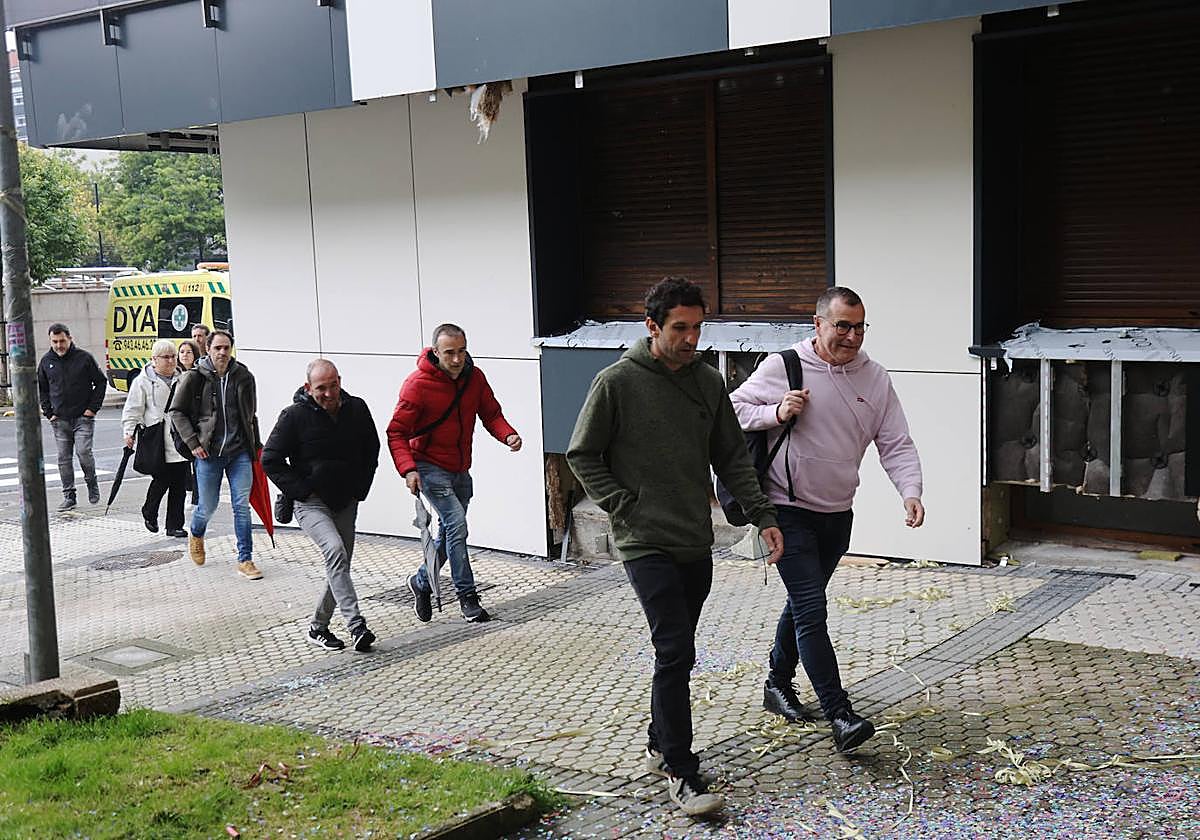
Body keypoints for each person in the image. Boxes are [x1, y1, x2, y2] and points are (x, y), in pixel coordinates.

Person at [567, 277, 784, 818]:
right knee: (675, 650)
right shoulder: (616, 382)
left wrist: (762, 516)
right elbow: (582, 453)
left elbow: (733, 458)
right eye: (680, 328)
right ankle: (681, 772)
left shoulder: (708, 383)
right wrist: (624, 504)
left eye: (697, 327)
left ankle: (657, 739)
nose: (691, 338)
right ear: (652, 327)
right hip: (643, 540)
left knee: (677, 647)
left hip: (694, 537)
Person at [730, 286, 924, 753]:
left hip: (837, 514)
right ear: (817, 324)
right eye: (842, 326)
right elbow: (730, 410)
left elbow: (894, 441)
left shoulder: (874, 378)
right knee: (812, 609)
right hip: (785, 511)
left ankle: (776, 684)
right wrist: (776, 411)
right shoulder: (785, 366)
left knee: (803, 603)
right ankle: (840, 715)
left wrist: (910, 491)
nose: (852, 336)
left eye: (859, 327)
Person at [387, 323, 522, 624]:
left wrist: (508, 435)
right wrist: (409, 470)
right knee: (457, 525)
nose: (458, 359)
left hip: (460, 467)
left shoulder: (475, 378)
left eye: (462, 351)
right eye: (450, 353)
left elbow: (491, 413)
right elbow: (396, 432)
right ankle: (467, 597)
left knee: (449, 534)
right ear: (436, 352)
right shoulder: (417, 385)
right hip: (429, 466)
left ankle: (421, 582)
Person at [263, 359, 380, 652]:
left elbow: (371, 449)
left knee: (339, 564)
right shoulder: (293, 416)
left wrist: (359, 489)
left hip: (346, 500)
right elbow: (270, 460)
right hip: (311, 503)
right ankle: (357, 625)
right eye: (321, 388)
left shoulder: (357, 408)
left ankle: (318, 627)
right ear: (308, 388)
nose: (329, 394)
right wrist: (301, 490)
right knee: (335, 552)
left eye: (333, 386)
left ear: (340, 380)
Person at [168, 329, 263, 579]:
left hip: (239, 451)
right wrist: (193, 443)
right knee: (207, 506)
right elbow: (176, 412)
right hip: (207, 453)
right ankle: (197, 532)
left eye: (226, 348)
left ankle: (245, 559)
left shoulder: (243, 376)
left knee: (241, 505)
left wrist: (255, 446)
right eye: (217, 348)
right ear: (208, 349)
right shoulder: (194, 378)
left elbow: (250, 415)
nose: (222, 352)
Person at [122, 340, 188, 537]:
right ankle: (149, 511)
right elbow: (133, 408)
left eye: (173, 357)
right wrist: (129, 431)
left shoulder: (182, 378)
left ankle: (175, 525)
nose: (170, 361)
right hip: (157, 438)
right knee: (161, 479)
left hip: (180, 438)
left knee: (179, 485)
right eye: (165, 358)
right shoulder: (142, 382)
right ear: (154, 360)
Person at [37, 323, 107, 511]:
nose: (58, 345)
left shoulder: (84, 358)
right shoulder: (46, 361)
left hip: (82, 418)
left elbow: (101, 382)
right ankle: (69, 496)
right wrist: (49, 413)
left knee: (84, 453)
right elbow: (42, 389)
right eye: (54, 341)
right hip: (59, 420)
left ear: (70, 338)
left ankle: (92, 484)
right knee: (63, 458)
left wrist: (92, 409)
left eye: (62, 341)